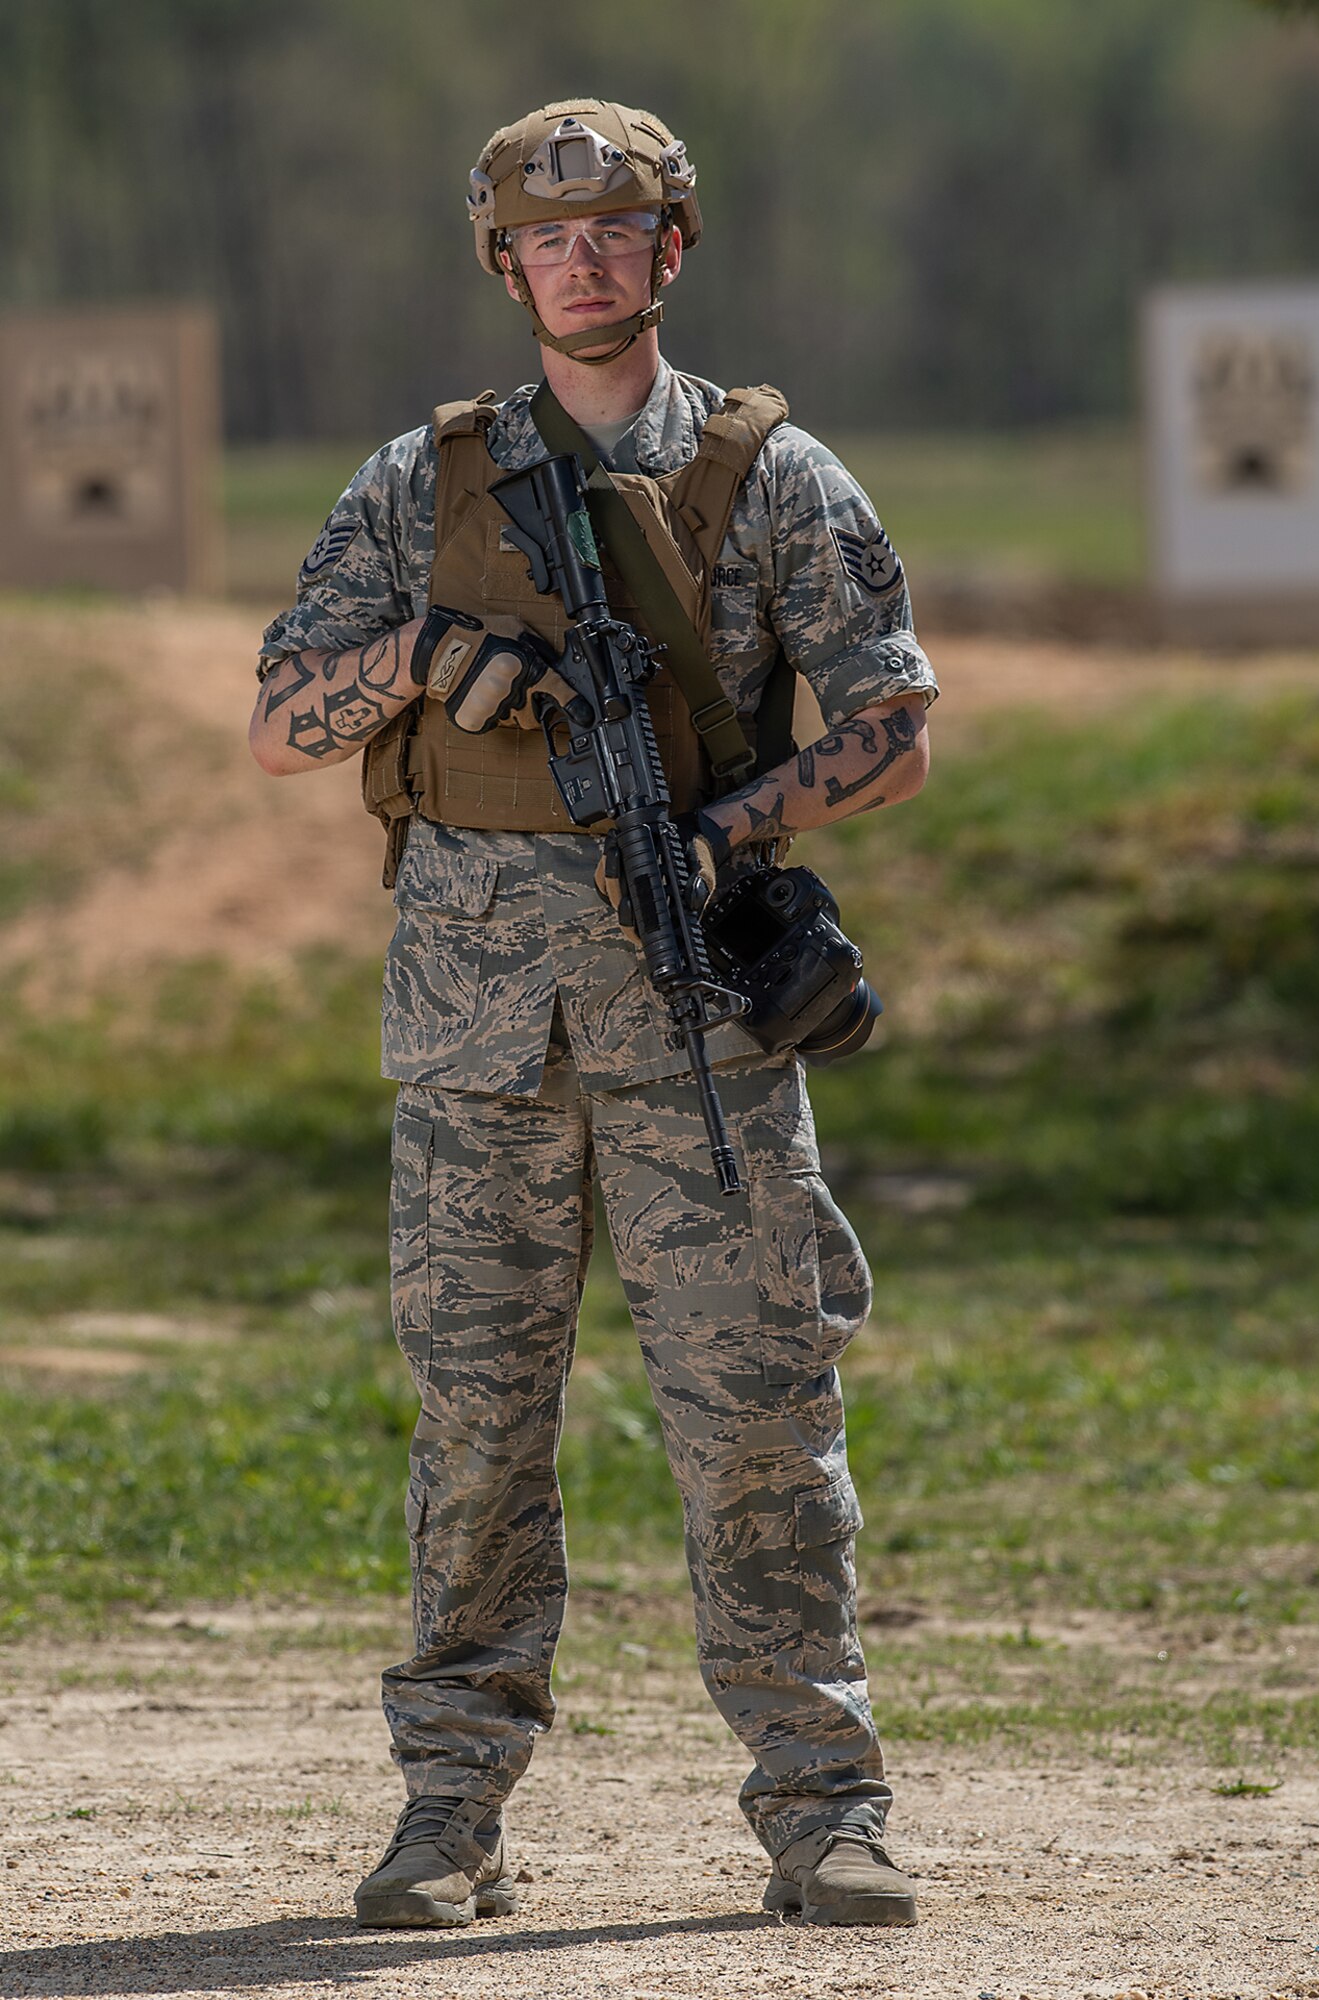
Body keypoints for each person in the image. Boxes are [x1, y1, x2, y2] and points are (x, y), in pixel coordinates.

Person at [249, 98, 937, 1930]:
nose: (582, 262)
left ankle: (822, 1804)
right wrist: (417, 660)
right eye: (546, 240)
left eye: (616, 233)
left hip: (696, 1023)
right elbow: (282, 717)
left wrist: (722, 826)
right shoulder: (422, 478)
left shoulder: (771, 475)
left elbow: (889, 728)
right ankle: (448, 1813)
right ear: (505, 264)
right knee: (477, 1426)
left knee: (759, 1418)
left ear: (670, 250)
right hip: (475, 1042)